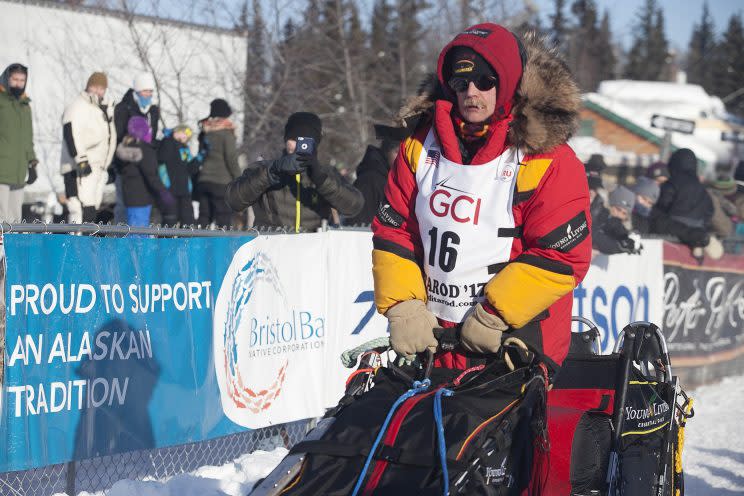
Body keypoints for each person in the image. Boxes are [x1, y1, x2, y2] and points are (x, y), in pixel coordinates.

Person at [371, 24, 592, 372]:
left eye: (485, 81)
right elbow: (394, 229)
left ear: (507, 83)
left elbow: (562, 255)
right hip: (435, 340)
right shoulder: (419, 146)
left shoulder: (548, 158)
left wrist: (493, 314)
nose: (471, 92)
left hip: (517, 343)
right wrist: (403, 305)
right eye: (461, 83)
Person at [226, 111, 364, 230]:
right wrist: (272, 172)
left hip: (311, 251)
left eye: (304, 141)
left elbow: (354, 206)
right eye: (293, 139)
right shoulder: (264, 168)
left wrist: (321, 180)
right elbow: (233, 200)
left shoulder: (327, 173)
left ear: (314, 143)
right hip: (270, 250)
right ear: (285, 140)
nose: (298, 146)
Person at [60, 72, 117, 223]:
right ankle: (76, 244)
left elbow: (108, 138)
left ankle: (86, 244)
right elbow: (71, 133)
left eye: (102, 88)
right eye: (95, 87)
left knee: (91, 208)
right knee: (78, 209)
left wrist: (108, 164)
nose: (98, 91)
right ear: (88, 87)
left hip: (98, 166)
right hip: (78, 166)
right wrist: (81, 160)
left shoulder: (103, 109)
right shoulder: (78, 106)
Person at [113, 73, 160, 223]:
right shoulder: (124, 108)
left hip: (145, 165)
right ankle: (121, 239)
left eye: (150, 91)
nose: (148, 95)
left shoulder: (153, 111)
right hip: (126, 165)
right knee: (123, 205)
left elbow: (152, 137)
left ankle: (141, 239)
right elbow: (119, 137)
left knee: (143, 205)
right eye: (145, 91)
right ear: (137, 91)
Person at [650, 148, 713, 255]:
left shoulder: (672, 183)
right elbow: (710, 210)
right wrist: (701, 224)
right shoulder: (702, 188)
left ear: (674, 164)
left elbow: (663, 204)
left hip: (671, 231)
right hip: (696, 229)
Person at [115, 116, 174, 228]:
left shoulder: (127, 149)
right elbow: (151, 175)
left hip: (131, 197)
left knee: (134, 230)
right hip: (142, 198)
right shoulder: (144, 150)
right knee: (139, 233)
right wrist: (163, 192)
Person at [345, 124, 407, 225]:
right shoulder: (371, 180)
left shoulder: (392, 177)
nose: (401, 158)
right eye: (397, 152)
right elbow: (359, 226)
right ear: (387, 151)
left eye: (405, 153)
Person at [0, 63, 37, 223]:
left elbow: (27, 138)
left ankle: (12, 249)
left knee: (15, 219)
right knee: (2, 219)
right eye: (15, 79)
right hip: (1, 172)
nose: (18, 83)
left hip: (18, 172)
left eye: (22, 80)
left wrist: (32, 163)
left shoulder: (25, 105)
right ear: (7, 79)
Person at [196, 99, 241, 228]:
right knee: (223, 219)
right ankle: (221, 247)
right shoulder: (226, 134)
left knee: (204, 217)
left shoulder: (205, 133)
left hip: (204, 181)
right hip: (221, 183)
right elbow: (231, 159)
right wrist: (240, 179)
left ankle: (198, 245)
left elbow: (201, 155)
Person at [156, 125, 205, 225]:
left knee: (188, 221)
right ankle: (165, 241)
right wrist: (168, 138)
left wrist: (199, 157)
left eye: (188, 135)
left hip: (184, 191)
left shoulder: (184, 149)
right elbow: (162, 157)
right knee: (170, 221)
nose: (185, 136)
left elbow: (190, 167)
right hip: (170, 189)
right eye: (184, 133)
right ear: (177, 131)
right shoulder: (166, 143)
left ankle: (185, 241)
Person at [592, 186, 642, 255]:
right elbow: (594, 236)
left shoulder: (616, 222)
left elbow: (617, 230)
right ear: (609, 204)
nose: (619, 214)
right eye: (618, 209)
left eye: (624, 213)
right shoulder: (597, 212)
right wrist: (619, 246)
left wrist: (628, 237)